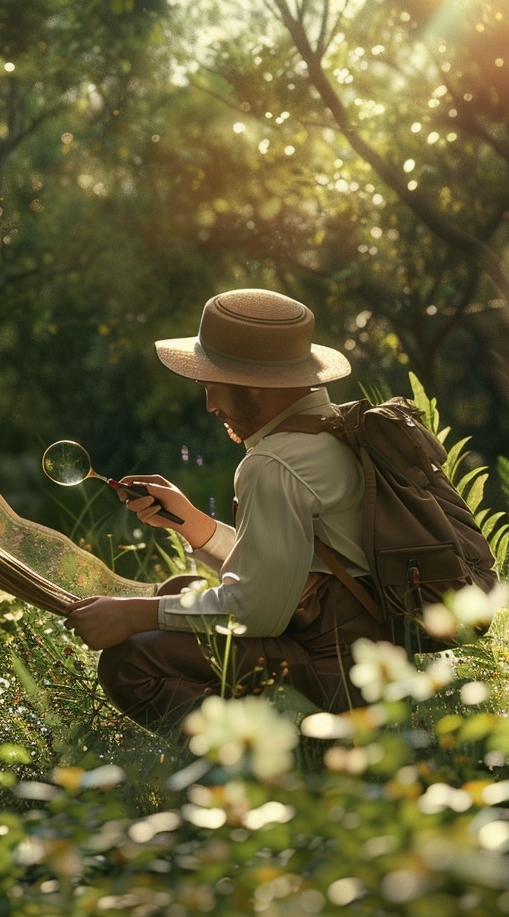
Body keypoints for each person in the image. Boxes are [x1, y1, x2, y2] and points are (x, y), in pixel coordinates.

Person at [65, 287, 394, 729]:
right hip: (370, 654)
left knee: (129, 662)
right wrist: (194, 526)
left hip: (340, 672)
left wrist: (129, 613)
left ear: (251, 383)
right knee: (176, 589)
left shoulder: (274, 463)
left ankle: (273, 758)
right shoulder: (330, 433)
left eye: (212, 386)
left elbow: (256, 610)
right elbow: (289, 569)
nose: (211, 405)